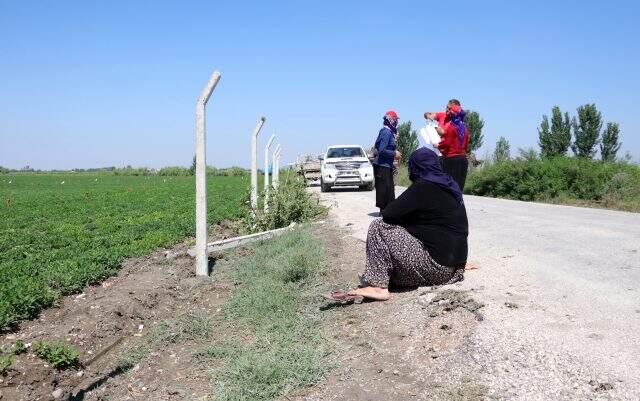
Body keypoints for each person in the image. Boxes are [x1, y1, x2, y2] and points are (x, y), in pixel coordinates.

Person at [325, 147, 468, 302]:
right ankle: (382, 279)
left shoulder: (424, 185)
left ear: (416, 166)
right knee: (396, 266)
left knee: (378, 227)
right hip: (453, 270)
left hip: (436, 268)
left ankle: (377, 287)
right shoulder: (450, 185)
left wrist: (407, 221)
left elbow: (389, 214)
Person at [424, 99, 469, 189]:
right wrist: (428, 116)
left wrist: (439, 142)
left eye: (450, 109)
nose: (447, 111)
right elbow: (465, 143)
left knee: (447, 185)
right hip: (453, 157)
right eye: (447, 108)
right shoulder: (463, 127)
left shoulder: (452, 127)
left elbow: (448, 141)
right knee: (456, 186)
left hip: (449, 156)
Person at [373, 110, 402, 213]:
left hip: (386, 164)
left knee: (388, 189)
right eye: (395, 120)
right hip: (382, 165)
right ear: (391, 120)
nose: (396, 122)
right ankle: (385, 211)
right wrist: (394, 153)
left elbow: (377, 145)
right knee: (385, 189)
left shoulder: (386, 131)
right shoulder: (386, 132)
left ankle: (388, 210)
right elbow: (381, 149)